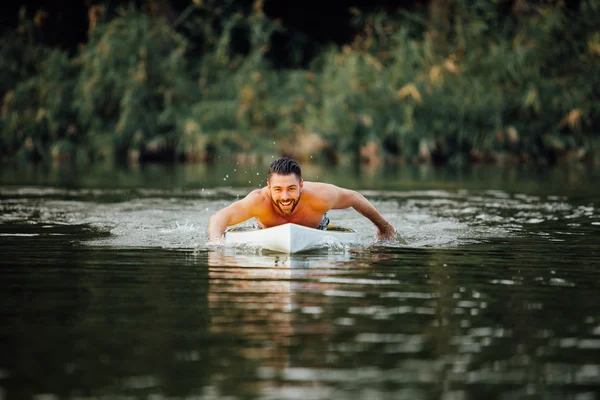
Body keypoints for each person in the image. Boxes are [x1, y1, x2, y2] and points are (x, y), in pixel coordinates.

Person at [208, 156, 398, 242]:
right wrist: (216, 243)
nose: (285, 196)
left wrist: (384, 227)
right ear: (268, 188)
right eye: (278, 189)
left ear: (301, 186)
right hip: (263, 231)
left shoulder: (321, 196)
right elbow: (218, 218)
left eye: (291, 189)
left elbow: (354, 198)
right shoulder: (257, 201)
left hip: (317, 228)